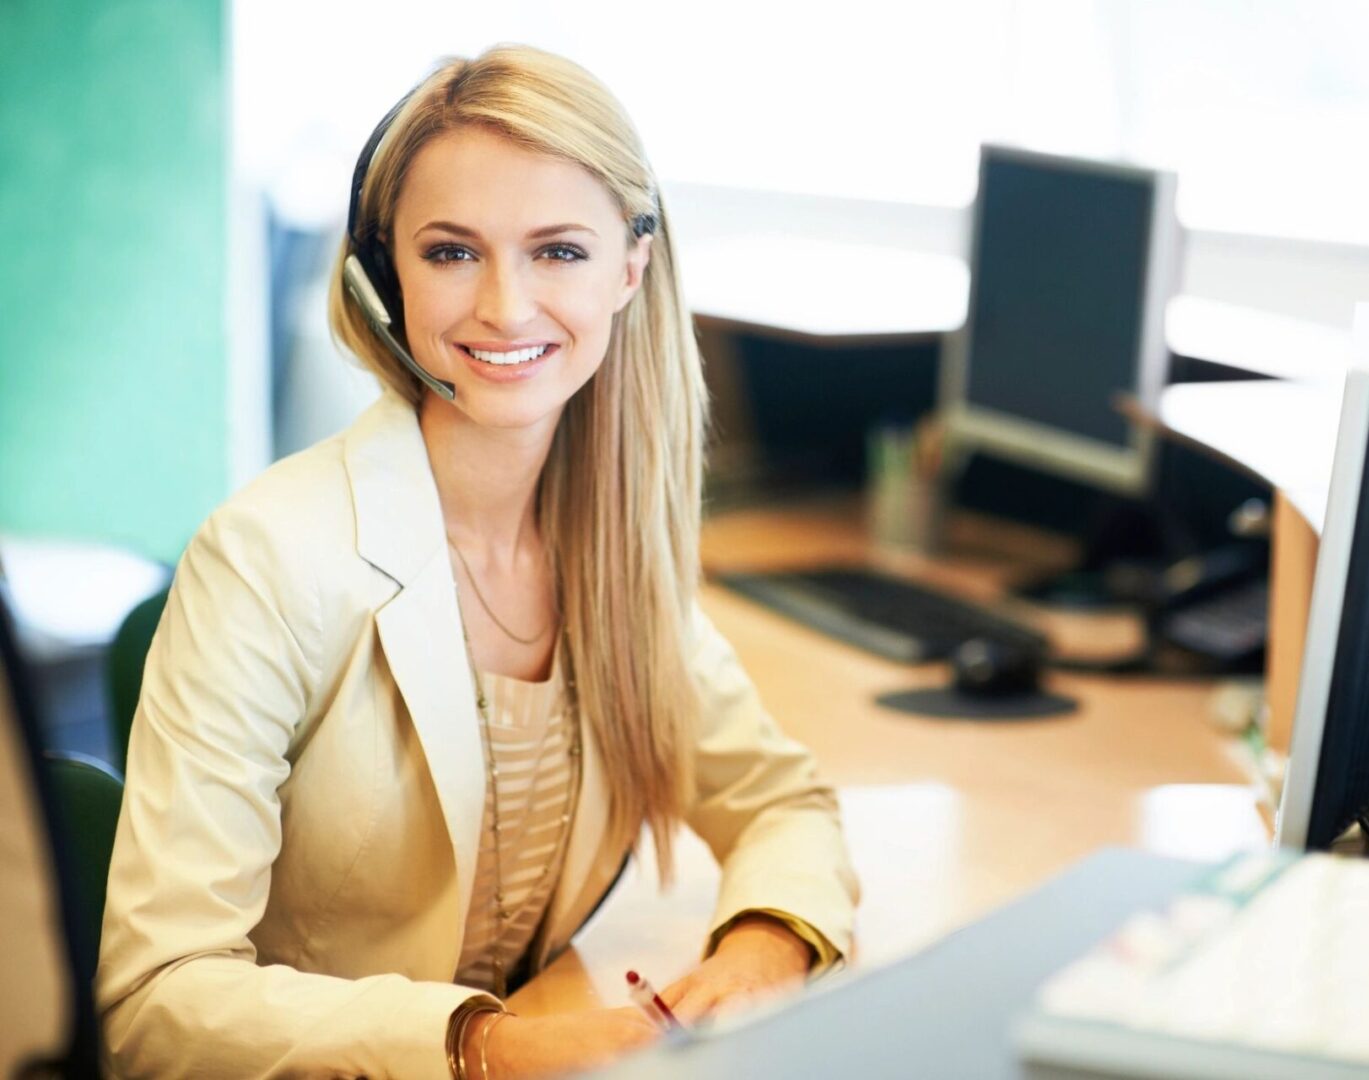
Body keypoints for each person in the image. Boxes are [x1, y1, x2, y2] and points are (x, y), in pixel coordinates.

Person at [96, 44, 859, 1079]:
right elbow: (157, 1000)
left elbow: (781, 802)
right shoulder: (269, 558)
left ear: (630, 267)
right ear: (383, 275)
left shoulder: (607, 551)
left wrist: (765, 947)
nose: (504, 306)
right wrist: (485, 1046)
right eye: (452, 252)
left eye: (559, 251)